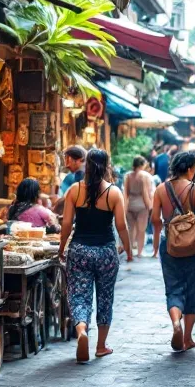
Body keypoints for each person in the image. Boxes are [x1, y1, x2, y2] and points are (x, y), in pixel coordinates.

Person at [58, 148, 133, 363]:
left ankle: (82, 330)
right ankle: (101, 346)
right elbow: (121, 226)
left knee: (79, 295)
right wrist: (127, 249)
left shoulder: (74, 190)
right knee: (105, 297)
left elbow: (66, 223)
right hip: (106, 252)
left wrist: (62, 246)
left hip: (80, 249)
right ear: (107, 166)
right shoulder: (114, 192)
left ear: (87, 166)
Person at [152, 151, 195, 352]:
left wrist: (156, 242)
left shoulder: (161, 189)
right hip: (194, 246)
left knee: (173, 288)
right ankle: (187, 338)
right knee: (194, 290)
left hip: (169, 244)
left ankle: (175, 322)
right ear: (190, 169)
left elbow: (155, 219)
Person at [123, 156, 155, 257]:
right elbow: (146, 193)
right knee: (141, 230)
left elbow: (125, 193)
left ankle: (130, 253)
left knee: (131, 229)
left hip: (130, 205)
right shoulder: (145, 176)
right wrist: (150, 207)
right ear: (142, 165)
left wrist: (124, 207)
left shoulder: (128, 176)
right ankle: (140, 252)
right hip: (142, 205)